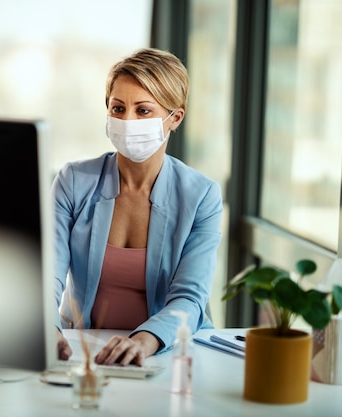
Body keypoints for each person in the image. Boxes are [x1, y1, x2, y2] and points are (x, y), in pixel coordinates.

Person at [53, 48, 223, 367]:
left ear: (175, 118)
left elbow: (190, 296)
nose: (127, 121)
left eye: (143, 110)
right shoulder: (73, 181)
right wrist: (46, 329)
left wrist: (142, 342)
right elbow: (47, 274)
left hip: (167, 352)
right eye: (118, 108)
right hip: (83, 350)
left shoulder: (202, 196)